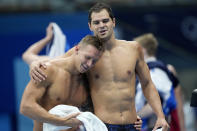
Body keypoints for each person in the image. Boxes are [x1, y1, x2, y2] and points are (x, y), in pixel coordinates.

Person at [29, 2, 169, 131]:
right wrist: (35, 63)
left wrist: (160, 116)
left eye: (105, 21)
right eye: (96, 22)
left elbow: (147, 84)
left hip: (132, 124)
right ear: (90, 26)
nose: (101, 25)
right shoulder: (83, 52)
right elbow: (55, 64)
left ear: (113, 22)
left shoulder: (133, 49)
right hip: (102, 126)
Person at [20, 35, 103, 131]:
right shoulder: (47, 69)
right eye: (87, 57)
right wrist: (62, 122)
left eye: (94, 61)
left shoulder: (88, 79)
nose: (89, 64)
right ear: (76, 49)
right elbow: (26, 107)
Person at [134, 33, 185, 131]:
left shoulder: (153, 72)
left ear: (142, 50)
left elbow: (156, 104)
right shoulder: (163, 69)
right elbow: (179, 106)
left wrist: (132, 118)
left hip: (154, 127)